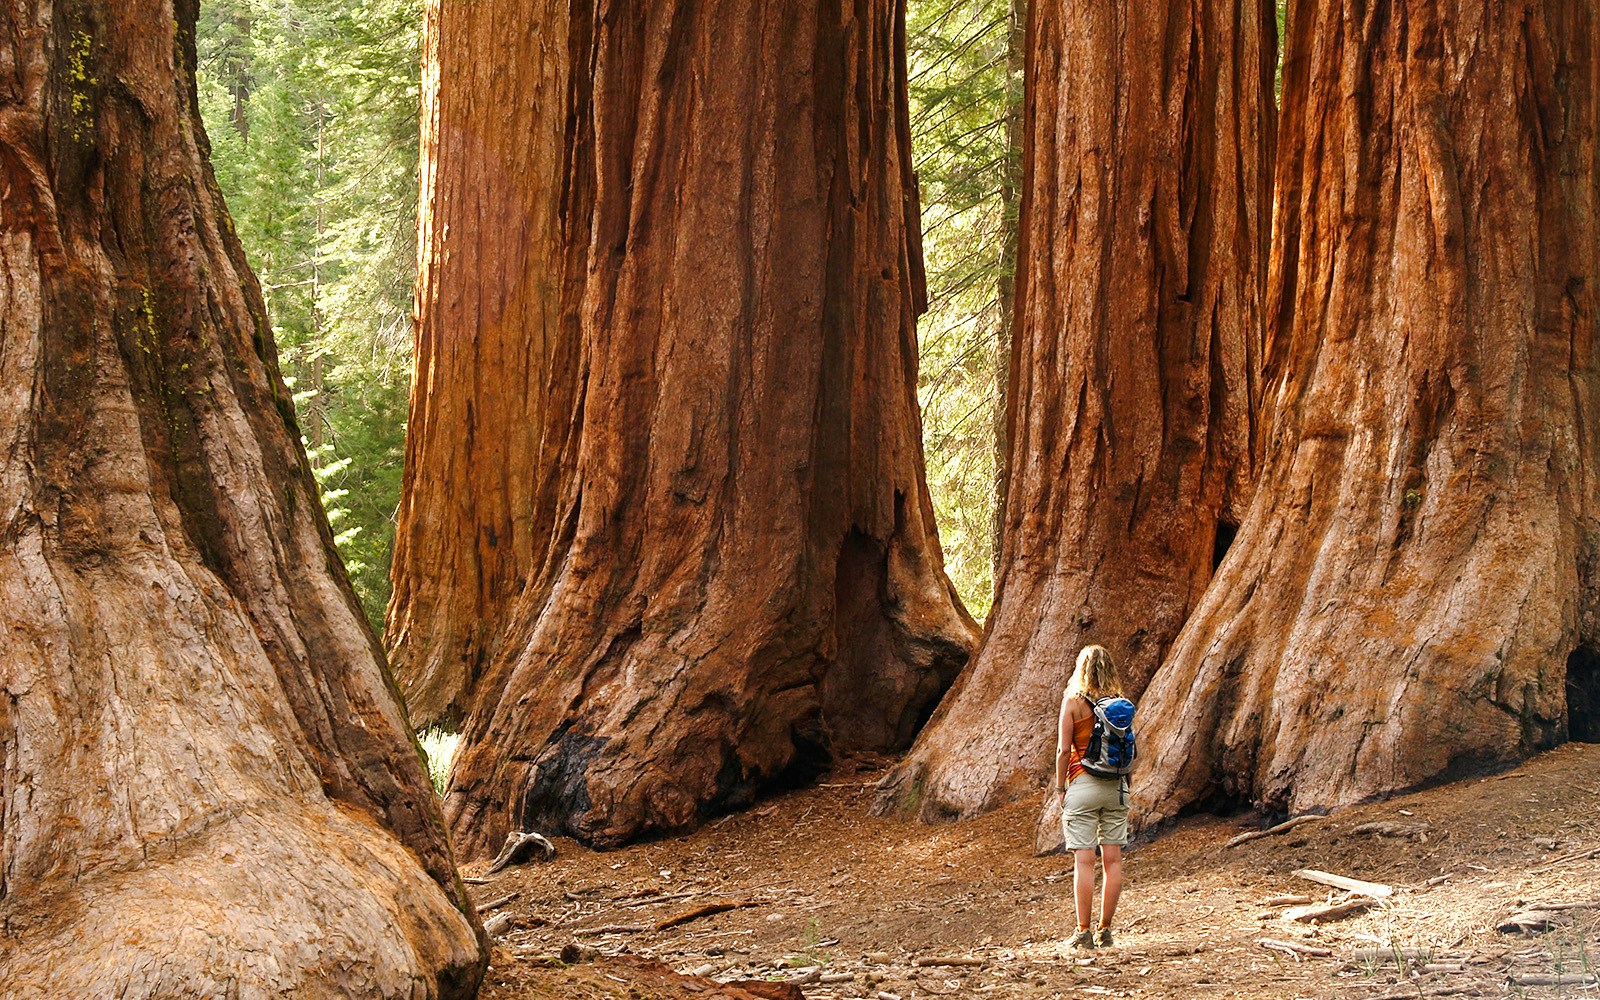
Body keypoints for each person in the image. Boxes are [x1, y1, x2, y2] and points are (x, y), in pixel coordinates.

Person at [1055, 644, 1128, 949]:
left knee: (1084, 861)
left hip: (1082, 785)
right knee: (1113, 860)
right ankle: (1106, 929)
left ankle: (1083, 931)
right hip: (1117, 787)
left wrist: (1061, 788)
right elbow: (1126, 752)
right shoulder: (1121, 706)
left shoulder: (1073, 703)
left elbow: (1062, 750)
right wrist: (1125, 787)